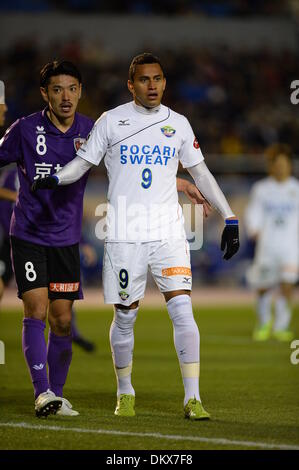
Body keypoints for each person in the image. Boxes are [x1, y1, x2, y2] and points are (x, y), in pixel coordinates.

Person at [32, 52, 240, 420]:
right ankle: (124, 391)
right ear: (131, 85)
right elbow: (83, 163)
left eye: (158, 79)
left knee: (182, 308)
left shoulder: (178, 124)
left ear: (164, 82)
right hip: (125, 234)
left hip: (168, 232)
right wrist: (55, 177)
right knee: (126, 315)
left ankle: (192, 398)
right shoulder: (111, 121)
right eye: (144, 80)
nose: (152, 85)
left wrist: (230, 216)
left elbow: (201, 173)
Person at [0, 60, 94, 417]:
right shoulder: (24, 129)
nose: (65, 96)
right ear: (45, 94)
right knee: (36, 309)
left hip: (66, 240)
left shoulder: (92, 130)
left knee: (62, 320)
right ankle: (42, 394)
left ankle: (56, 393)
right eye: (57, 89)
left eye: (72, 88)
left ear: (80, 91)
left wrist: (177, 182)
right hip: (28, 234)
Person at [245, 144, 299, 342]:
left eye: (284, 164)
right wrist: (254, 229)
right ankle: (264, 322)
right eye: (277, 164)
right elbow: (253, 212)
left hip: (290, 247)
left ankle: (281, 326)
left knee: (287, 285)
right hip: (267, 245)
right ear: (271, 166)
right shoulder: (261, 189)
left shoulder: (296, 188)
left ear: (289, 166)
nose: (280, 168)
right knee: (263, 286)